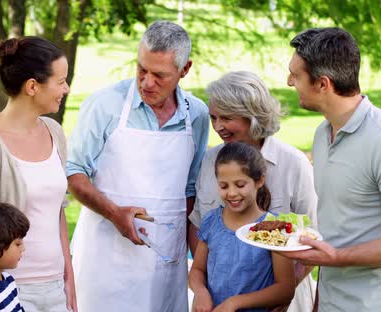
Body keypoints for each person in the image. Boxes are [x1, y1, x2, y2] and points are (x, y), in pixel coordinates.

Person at [279, 27, 381, 311]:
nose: (289, 81)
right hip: (332, 301)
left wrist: (338, 257)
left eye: (296, 75)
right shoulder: (322, 134)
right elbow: (338, 230)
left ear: (323, 84)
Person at [66, 20, 209, 311]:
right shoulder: (104, 105)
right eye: (141, 69)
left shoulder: (197, 115)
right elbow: (73, 173)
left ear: (185, 69)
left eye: (160, 75)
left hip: (165, 264)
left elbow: (191, 191)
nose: (146, 82)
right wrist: (115, 213)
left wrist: (201, 269)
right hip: (105, 261)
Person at [0, 36, 77, 312]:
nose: (66, 88)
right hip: (7, 290)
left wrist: (69, 277)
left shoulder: (55, 133)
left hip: (55, 287)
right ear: (32, 86)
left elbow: (58, 210)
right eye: (60, 81)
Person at [188, 71, 318, 311]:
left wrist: (282, 294)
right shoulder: (210, 160)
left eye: (226, 118)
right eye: (214, 118)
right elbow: (198, 225)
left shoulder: (293, 163)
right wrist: (205, 287)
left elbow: (313, 236)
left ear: (253, 116)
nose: (218, 127)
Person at [188, 142, 295, 312]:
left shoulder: (273, 229)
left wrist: (235, 303)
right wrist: (201, 292)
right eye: (224, 186)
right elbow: (197, 270)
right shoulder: (212, 222)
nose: (231, 193)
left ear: (259, 180)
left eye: (240, 185)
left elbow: (285, 289)